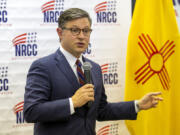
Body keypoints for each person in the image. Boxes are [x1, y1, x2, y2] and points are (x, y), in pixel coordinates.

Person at [23, 8, 163, 135]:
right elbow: (31, 111)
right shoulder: (43, 67)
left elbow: (102, 110)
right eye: (75, 30)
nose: (82, 36)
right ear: (60, 33)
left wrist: (137, 105)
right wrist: (72, 102)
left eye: (86, 31)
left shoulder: (94, 68)